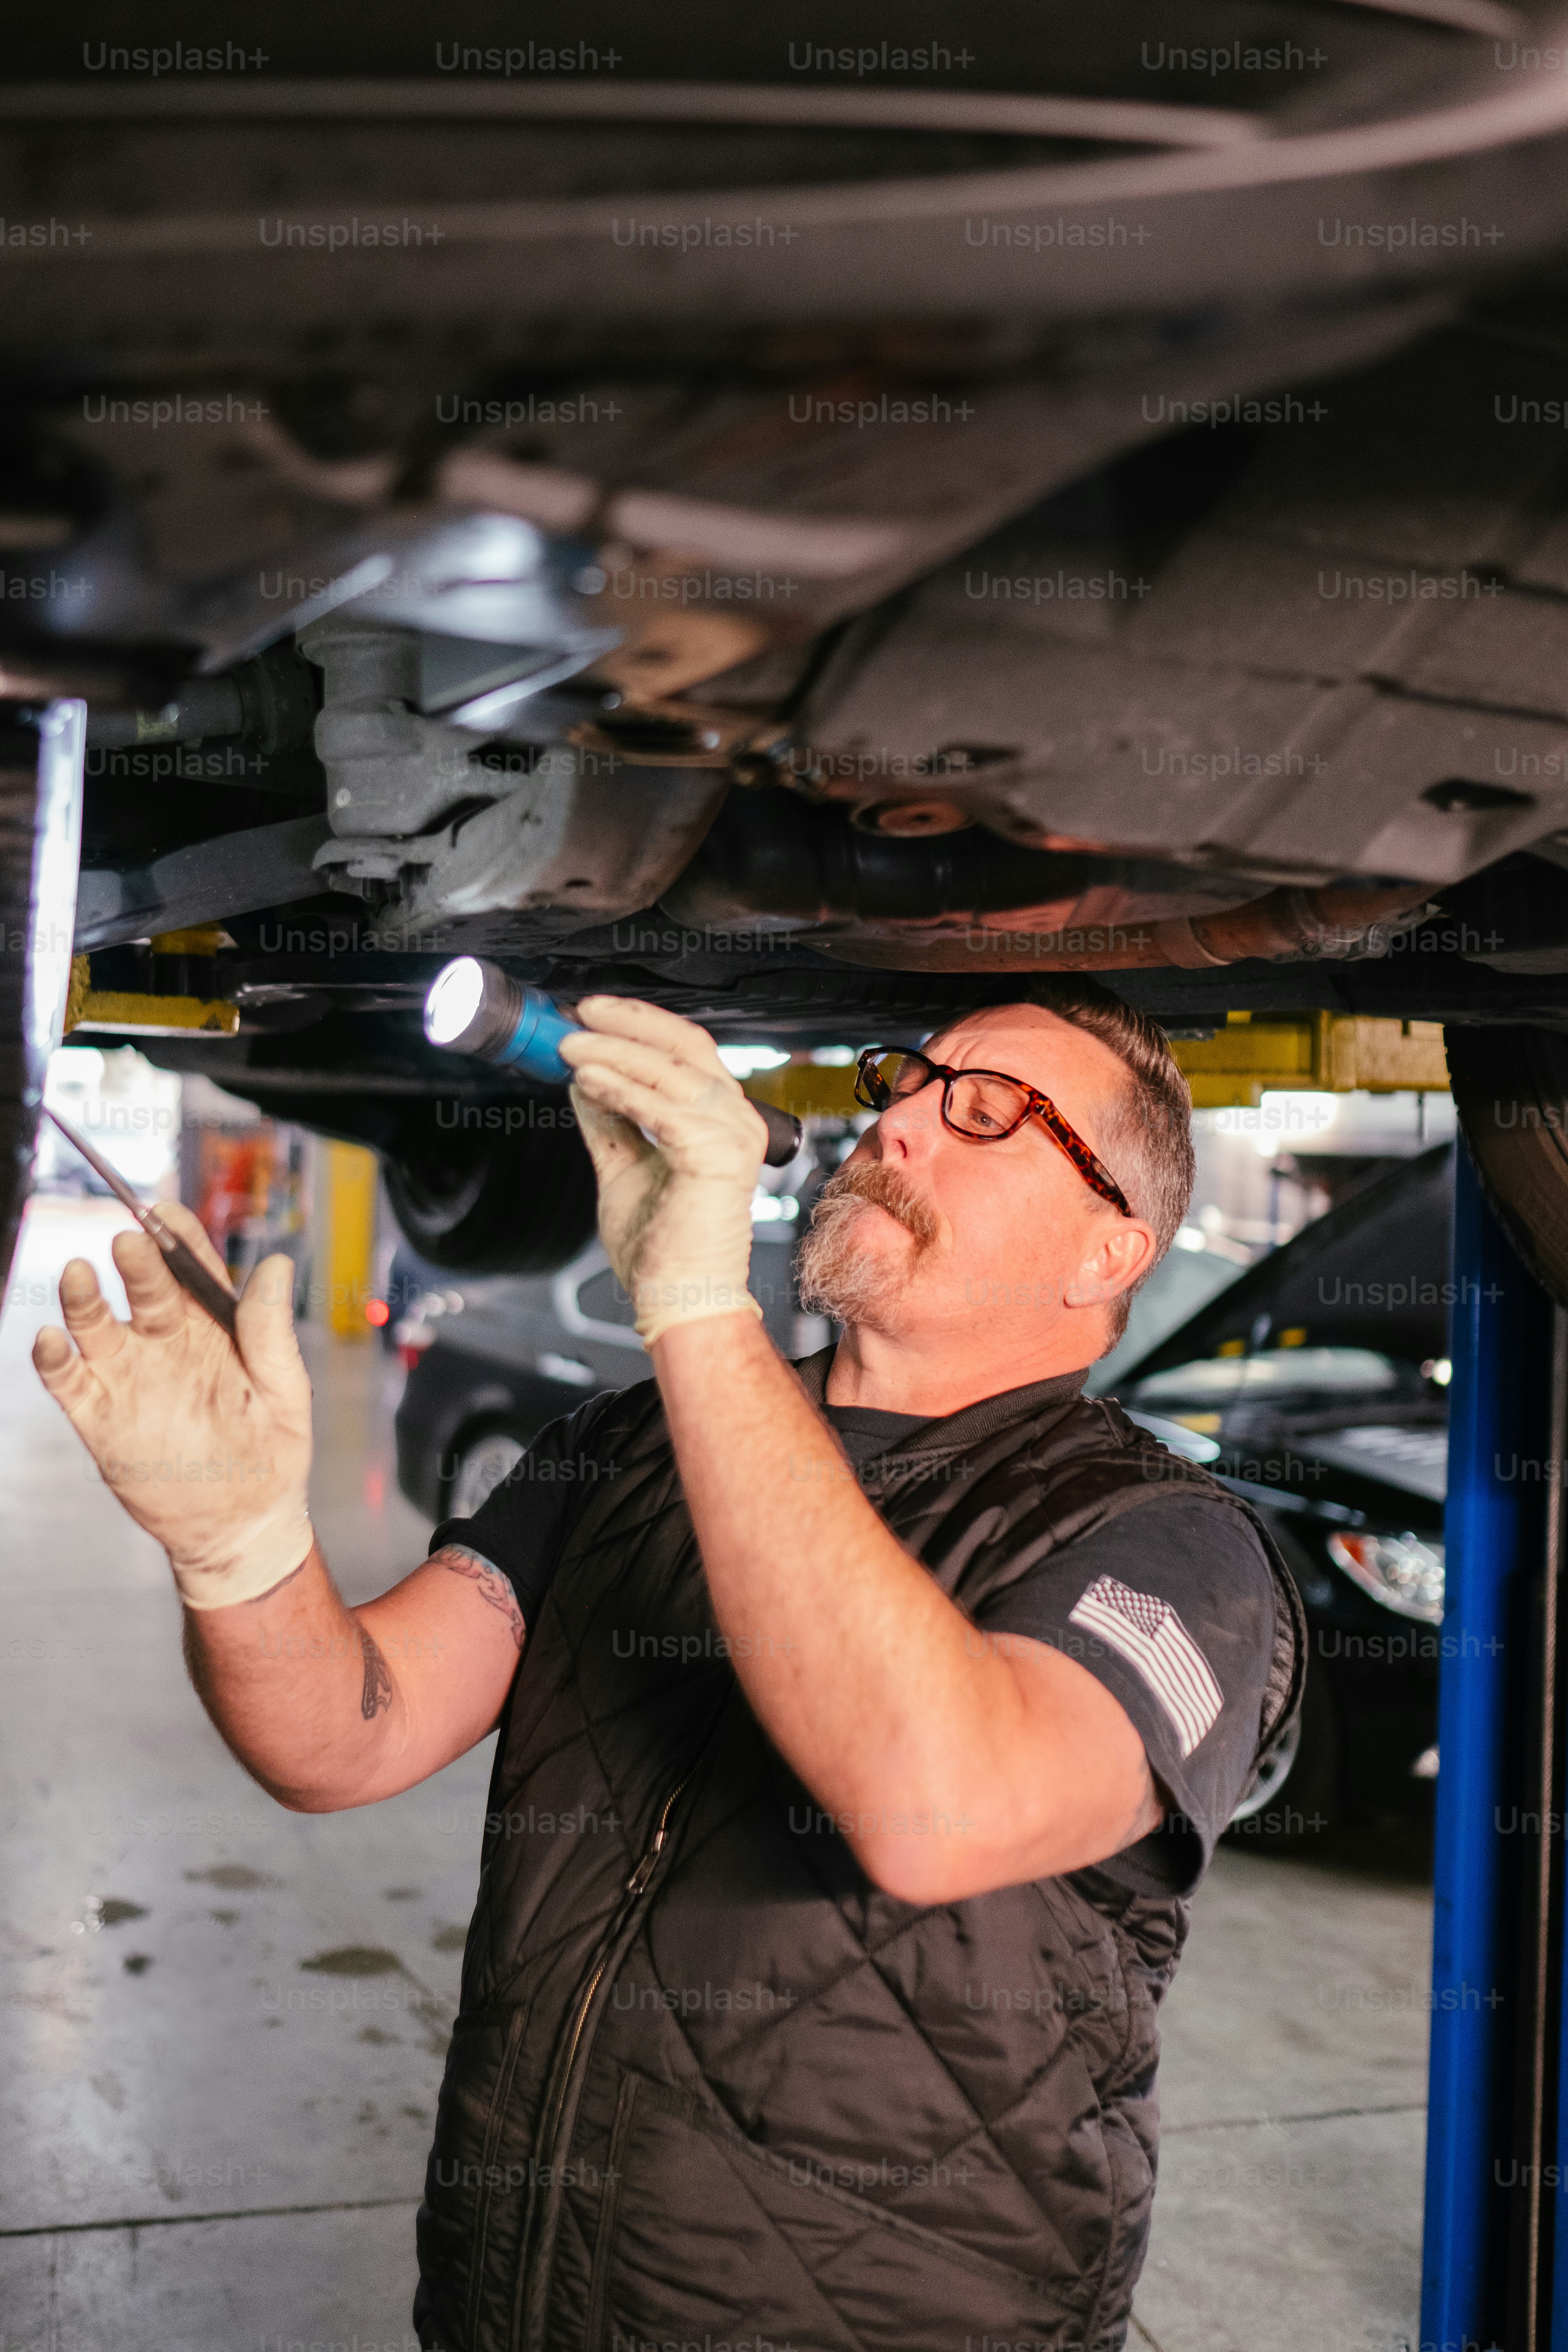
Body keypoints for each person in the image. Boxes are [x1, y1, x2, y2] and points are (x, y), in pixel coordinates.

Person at [33, 980, 1303, 2352]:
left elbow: (941, 1805)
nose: (900, 1131)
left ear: (1109, 1253)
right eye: (906, 1086)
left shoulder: (1169, 1544)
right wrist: (240, 1551)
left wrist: (700, 1308)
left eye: (990, 1112)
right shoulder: (623, 1450)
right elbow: (343, 1738)